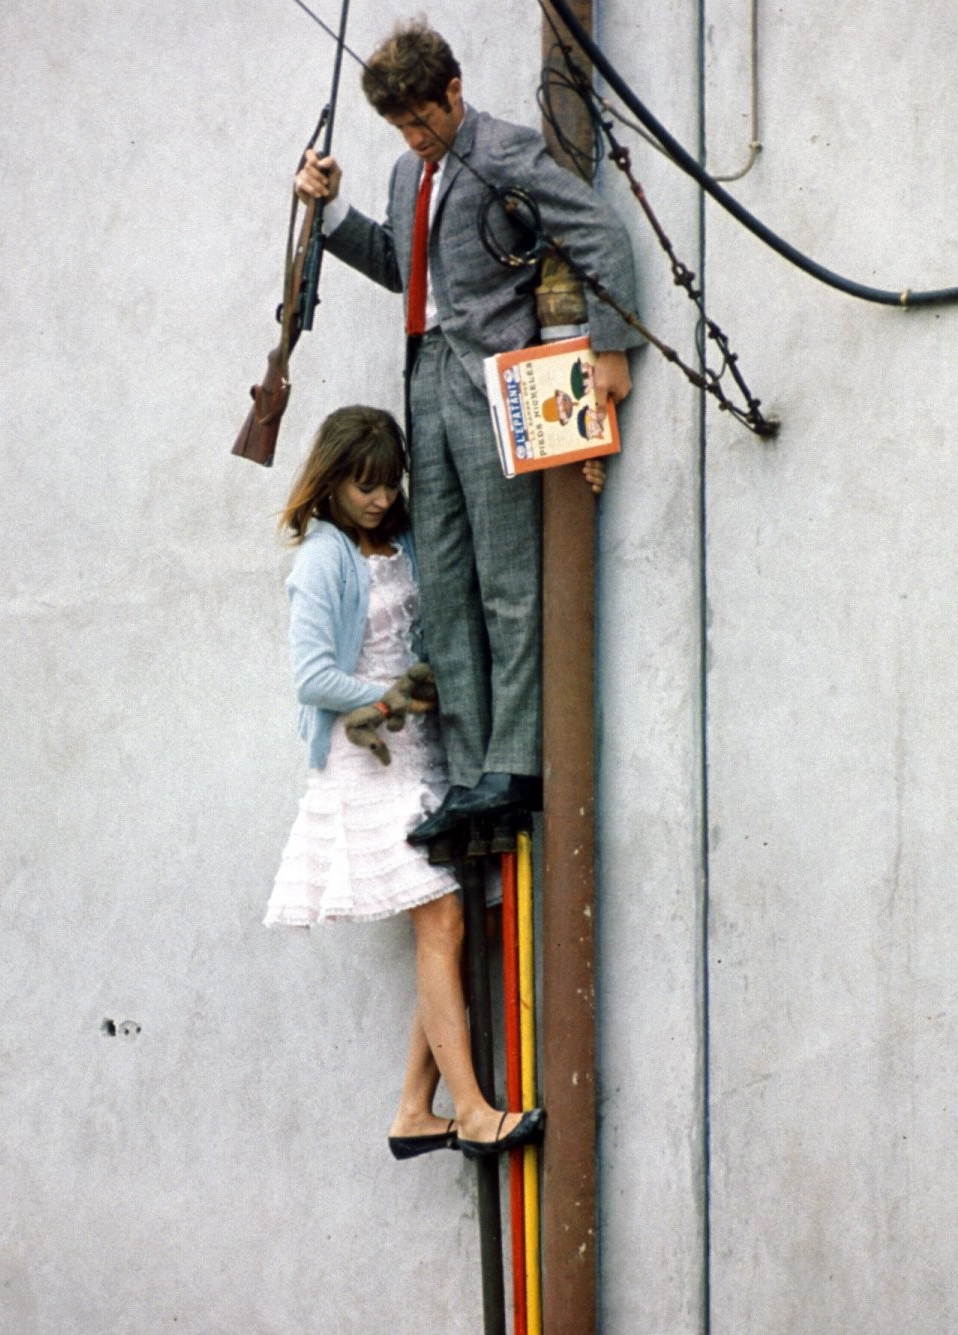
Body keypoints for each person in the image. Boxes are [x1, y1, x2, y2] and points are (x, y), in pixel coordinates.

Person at [293, 19, 642, 845]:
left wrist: (612, 346)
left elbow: (595, 231)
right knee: (444, 580)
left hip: (495, 379)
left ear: (454, 91)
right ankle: (471, 769)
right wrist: (331, 208)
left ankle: (514, 765)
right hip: (428, 379)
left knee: (507, 577)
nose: (415, 137)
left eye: (424, 119)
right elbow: (401, 268)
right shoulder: (405, 175)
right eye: (401, 127)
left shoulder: (505, 151)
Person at [263, 404, 549, 1160]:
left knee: (460, 925)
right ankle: (475, 1111)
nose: (382, 499)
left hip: (421, 753)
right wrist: (387, 700)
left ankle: (414, 1110)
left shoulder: (402, 543)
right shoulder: (322, 561)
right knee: (444, 923)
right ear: (330, 483)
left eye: (390, 484)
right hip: (368, 765)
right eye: (365, 486)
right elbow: (312, 677)